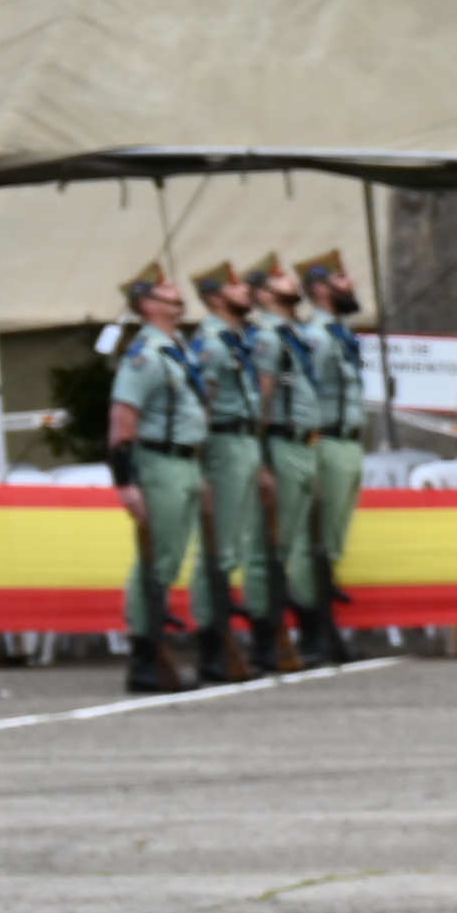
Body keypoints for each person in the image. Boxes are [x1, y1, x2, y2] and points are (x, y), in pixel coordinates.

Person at [101, 269, 222, 696]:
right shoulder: (145, 357)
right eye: (167, 292)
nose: (177, 297)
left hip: (185, 464)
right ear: (147, 304)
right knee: (156, 561)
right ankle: (146, 656)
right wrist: (126, 484)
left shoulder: (177, 350)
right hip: (159, 464)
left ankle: (153, 650)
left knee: (170, 559)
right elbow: (122, 423)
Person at [270, 255, 372, 665]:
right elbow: (298, 386)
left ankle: (325, 630)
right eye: (342, 278)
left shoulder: (339, 334)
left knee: (330, 543)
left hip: (346, 443)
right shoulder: (316, 337)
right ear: (321, 288)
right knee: (312, 544)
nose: (352, 283)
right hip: (325, 442)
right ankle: (314, 632)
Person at [186, 260, 283, 680]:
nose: (246, 291)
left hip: (244, 443)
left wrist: (259, 461)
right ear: (214, 298)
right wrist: (200, 463)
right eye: (235, 287)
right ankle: (212, 643)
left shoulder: (237, 340)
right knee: (218, 550)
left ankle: (226, 640)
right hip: (221, 445)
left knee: (235, 548)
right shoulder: (210, 343)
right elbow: (199, 405)